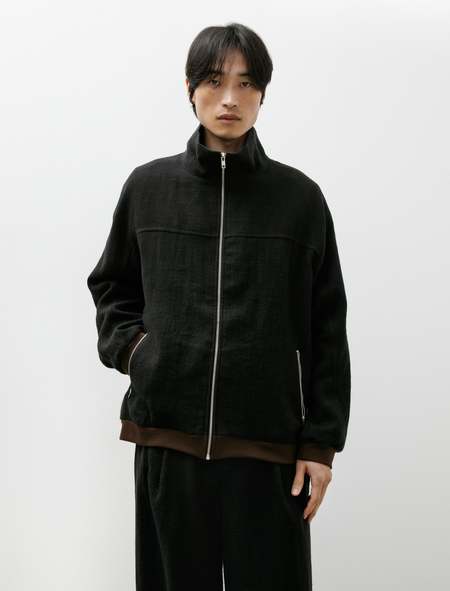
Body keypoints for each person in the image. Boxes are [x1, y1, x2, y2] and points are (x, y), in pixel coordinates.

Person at [87, 22, 351, 591]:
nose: (229, 98)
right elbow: (111, 289)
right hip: (168, 440)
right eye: (213, 81)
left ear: (263, 94)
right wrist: (139, 353)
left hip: (270, 449)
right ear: (190, 88)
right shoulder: (147, 189)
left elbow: (328, 328)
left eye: (245, 83)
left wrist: (321, 443)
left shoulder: (300, 200)